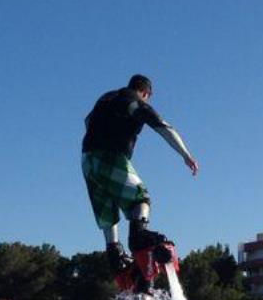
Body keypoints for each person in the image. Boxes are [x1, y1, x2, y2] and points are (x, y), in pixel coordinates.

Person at [81, 74, 198, 274]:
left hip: (87, 160)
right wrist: (187, 156)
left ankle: (115, 254)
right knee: (140, 198)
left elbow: (87, 120)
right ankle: (138, 236)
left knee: (107, 209)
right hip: (110, 156)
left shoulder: (105, 98)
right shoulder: (133, 102)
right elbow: (164, 128)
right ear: (145, 93)